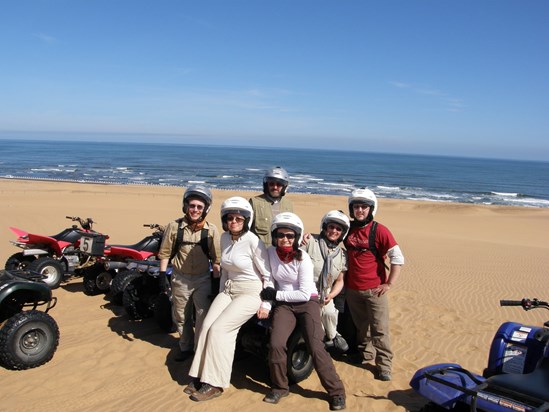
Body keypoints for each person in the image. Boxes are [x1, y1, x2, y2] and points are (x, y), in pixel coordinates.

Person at [186, 196, 273, 402]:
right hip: (228, 289)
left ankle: (215, 383)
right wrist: (221, 295)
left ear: (246, 220)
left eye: (238, 218)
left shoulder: (253, 241)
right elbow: (225, 269)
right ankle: (200, 375)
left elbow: (268, 276)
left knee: (221, 329)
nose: (234, 222)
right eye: (230, 218)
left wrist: (266, 303)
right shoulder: (224, 238)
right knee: (206, 325)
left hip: (250, 292)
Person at [260, 212, 346, 411]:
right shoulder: (270, 252)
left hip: (307, 303)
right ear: (274, 235)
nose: (285, 239)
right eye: (281, 235)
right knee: (275, 343)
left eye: (290, 236)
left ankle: (336, 392)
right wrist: (267, 302)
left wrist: (275, 296)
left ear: (296, 237)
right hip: (284, 306)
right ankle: (280, 387)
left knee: (315, 346)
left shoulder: (303, 258)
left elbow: (305, 293)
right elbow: (269, 278)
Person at [343, 188, 404, 381]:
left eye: (364, 207)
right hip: (353, 290)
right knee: (361, 328)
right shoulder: (348, 228)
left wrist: (389, 284)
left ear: (371, 209)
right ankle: (365, 355)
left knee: (380, 329)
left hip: (375, 290)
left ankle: (384, 365)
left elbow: (398, 258)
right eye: (356, 207)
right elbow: (331, 235)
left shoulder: (380, 231)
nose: (360, 210)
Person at [157, 185, 221, 361]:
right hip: (180, 278)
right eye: (192, 206)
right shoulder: (173, 227)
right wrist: (163, 276)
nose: (195, 210)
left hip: (203, 280)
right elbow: (165, 253)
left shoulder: (211, 230)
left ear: (205, 209)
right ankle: (185, 347)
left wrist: (215, 283)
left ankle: (200, 348)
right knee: (181, 315)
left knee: (202, 316)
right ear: (185, 206)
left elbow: (217, 259)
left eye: (199, 207)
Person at [302, 210, 350, 353]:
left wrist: (332, 295)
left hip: (326, 293)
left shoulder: (342, 255)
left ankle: (333, 337)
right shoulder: (310, 242)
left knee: (329, 314)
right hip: (306, 291)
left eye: (338, 229)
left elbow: (340, 280)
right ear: (325, 227)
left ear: (343, 233)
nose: (334, 231)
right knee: (315, 321)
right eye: (331, 227)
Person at [249, 166, 293, 246]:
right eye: (272, 184)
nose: (275, 187)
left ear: (284, 186)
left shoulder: (288, 205)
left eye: (279, 184)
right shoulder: (254, 202)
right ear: (266, 185)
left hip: (280, 253)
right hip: (259, 252)